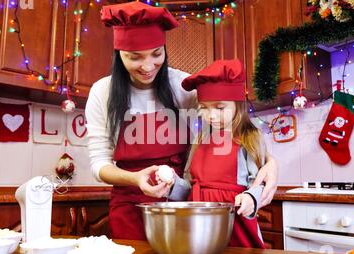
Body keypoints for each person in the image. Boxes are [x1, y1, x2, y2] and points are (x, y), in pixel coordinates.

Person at [85, 2, 278, 241]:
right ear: (119, 55)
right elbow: (99, 163)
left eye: (156, 54)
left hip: (183, 204)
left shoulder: (184, 86)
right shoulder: (102, 92)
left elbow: (230, 124)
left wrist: (269, 162)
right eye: (135, 57)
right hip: (129, 205)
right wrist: (135, 179)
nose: (147, 66)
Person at [162, 60, 268, 248]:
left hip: (234, 221)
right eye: (204, 108)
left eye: (220, 108)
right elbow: (188, 186)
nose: (211, 116)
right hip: (197, 222)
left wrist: (251, 198)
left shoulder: (249, 138)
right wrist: (171, 184)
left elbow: (259, 182)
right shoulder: (199, 140)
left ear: (238, 105)